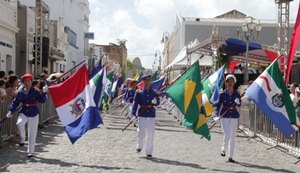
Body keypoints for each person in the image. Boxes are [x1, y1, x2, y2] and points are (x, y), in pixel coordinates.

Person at [5, 74, 48, 158]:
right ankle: (22, 138)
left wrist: (44, 92)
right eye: (25, 81)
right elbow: (15, 102)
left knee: (32, 133)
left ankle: (30, 152)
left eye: (29, 81)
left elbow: (42, 100)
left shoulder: (35, 91)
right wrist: (10, 111)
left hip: (34, 113)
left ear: (31, 81)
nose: (27, 82)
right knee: (19, 123)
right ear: (23, 82)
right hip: (24, 111)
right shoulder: (20, 92)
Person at [131, 71, 160, 158]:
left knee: (150, 134)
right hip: (142, 115)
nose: (147, 81)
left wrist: (156, 102)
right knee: (141, 132)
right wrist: (133, 114)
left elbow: (158, 102)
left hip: (151, 115)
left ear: (151, 80)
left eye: (149, 79)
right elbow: (135, 104)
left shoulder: (154, 92)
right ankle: (139, 145)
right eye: (145, 79)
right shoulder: (139, 92)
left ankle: (149, 152)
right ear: (143, 81)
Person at [213, 74, 241, 163]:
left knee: (232, 136)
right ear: (226, 83)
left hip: (233, 116)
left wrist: (238, 102)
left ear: (234, 83)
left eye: (231, 82)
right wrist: (216, 115)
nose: (230, 83)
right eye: (228, 82)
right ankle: (223, 148)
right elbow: (217, 106)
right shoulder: (222, 94)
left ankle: (230, 156)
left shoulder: (237, 93)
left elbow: (239, 104)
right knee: (227, 134)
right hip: (224, 116)